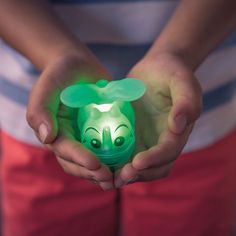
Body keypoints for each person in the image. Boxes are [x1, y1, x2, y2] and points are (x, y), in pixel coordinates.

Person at [0, 0, 236, 235]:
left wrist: (179, 52)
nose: (108, 145)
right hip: (50, 115)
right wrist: (54, 54)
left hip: (191, 113)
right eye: (97, 141)